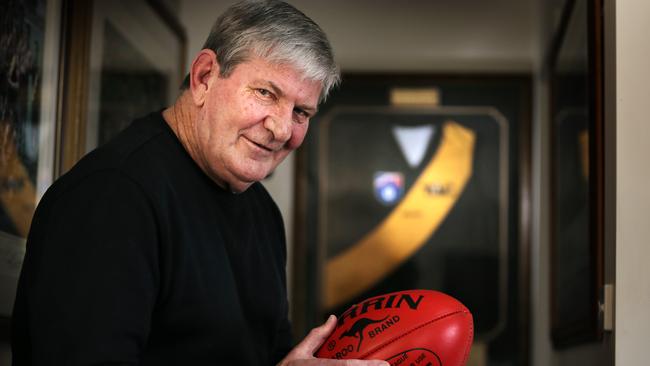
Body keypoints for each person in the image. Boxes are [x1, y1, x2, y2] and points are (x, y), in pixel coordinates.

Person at [11, 1, 388, 365]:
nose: (281, 128)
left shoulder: (261, 210)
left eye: (301, 112)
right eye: (265, 93)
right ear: (204, 77)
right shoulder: (112, 195)